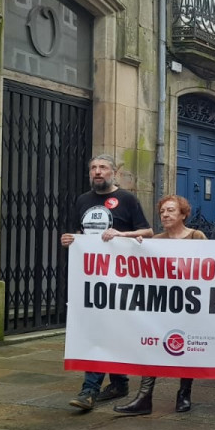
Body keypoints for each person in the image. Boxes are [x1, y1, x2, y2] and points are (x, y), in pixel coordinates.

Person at [62, 155, 153, 410]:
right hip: (91, 278)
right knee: (101, 328)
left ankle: (89, 390)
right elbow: (79, 234)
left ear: (114, 172)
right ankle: (118, 383)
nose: (97, 172)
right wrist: (71, 240)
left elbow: (147, 232)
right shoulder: (83, 200)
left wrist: (121, 234)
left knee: (103, 329)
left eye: (103, 168)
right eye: (93, 168)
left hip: (121, 279)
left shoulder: (127, 199)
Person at [114, 195, 205, 416]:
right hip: (161, 303)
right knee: (152, 346)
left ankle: (184, 393)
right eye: (162, 211)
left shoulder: (196, 236)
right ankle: (144, 397)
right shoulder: (156, 240)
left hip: (188, 303)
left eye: (171, 210)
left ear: (183, 214)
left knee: (186, 347)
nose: (165, 215)